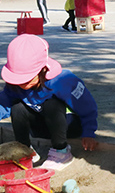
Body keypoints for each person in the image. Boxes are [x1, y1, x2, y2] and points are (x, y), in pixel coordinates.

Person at [0, 35, 99, 171]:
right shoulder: (15, 86)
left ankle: (62, 152)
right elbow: (4, 104)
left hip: (67, 126)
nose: (22, 84)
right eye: (19, 80)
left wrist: (89, 132)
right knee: (17, 108)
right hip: (39, 128)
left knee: (51, 104)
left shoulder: (63, 80)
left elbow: (87, 107)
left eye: (27, 79)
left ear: (43, 69)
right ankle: (24, 151)